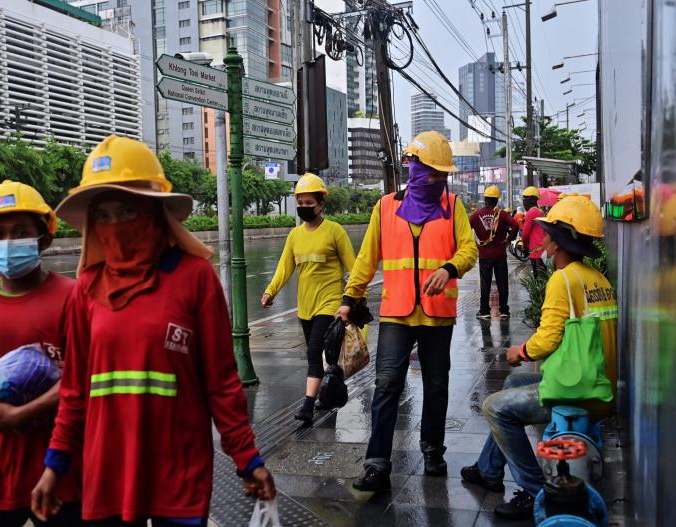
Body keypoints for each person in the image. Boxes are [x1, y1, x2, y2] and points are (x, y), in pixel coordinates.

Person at [30, 136, 275, 526]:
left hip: (179, 470)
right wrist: (53, 466)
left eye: (126, 211)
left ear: (155, 212)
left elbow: (221, 383)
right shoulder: (86, 291)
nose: (113, 227)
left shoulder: (195, 278)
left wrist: (247, 458)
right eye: (103, 216)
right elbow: (75, 391)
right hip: (108, 470)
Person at [336, 131, 478, 492]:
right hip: (397, 314)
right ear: (413, 167)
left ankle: (432, 450)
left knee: (436, 384)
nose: (438, 180)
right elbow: (366, 260)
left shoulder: (453, 205)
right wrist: (349, 300)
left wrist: (449, 268)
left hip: (436, 314)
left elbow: (469, 250)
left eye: (443, 175)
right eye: (432, 172)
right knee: (386, 385)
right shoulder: (385, 207)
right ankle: (376, 464)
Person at [460, 195, 618, 520]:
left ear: (558, 242)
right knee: (513, 381)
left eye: (547, 233)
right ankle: (489, 469)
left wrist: (519, 351)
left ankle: (534, 490)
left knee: (495, 408)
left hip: (578, 390)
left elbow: (547, 339)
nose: (542, 239)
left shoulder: (563, 279)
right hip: (600, 383)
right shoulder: (597, 279)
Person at [0, 181, 81, 527]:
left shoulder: (73, 297)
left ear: (44, 240)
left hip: (58, 468)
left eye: (20, 232)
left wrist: (21, 414)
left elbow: (82, 378)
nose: (8, 243)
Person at [261, 173, 356, 423]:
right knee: (324, 355)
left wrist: (352, 300)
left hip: (330, 303)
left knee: (314, 351)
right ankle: (328, 391)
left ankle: (307, 404)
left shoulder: (334, 231)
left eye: (308, 203)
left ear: (321, 204)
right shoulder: (295, 236)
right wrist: (270, 291)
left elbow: (353, 268)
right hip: (305, 306)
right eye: (300, 204)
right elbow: (284, 267)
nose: (304, 208)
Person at [470, 185, 519, 320]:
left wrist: (473, 242)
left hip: (484, 254)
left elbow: (465, 226)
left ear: (485, 199)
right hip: (500, 254)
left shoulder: (477, 214)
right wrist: (509, 239)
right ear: (497, 200)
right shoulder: (501, 215)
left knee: (485, 283)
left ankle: (484, 311)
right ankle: (504, 311)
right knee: (502, 283)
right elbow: (515, 225)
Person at [521, 186, 546, 277]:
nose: (523, 202)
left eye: (525, 199)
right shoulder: (540, 211)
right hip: (542, 248)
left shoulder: (531, 212)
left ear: (532, 200)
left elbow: (525, 234)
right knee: (543, 276)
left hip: (536, 251)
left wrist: (524, 246)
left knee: (538, 278)